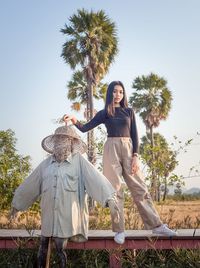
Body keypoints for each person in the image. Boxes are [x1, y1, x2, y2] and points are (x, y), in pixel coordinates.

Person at [64, 80, 177, 244]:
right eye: (115, 91)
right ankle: (119, 230)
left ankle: (157, 225)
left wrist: (136, 156)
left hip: (128, 149)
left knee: (140, 188)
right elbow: (85, 128)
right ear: (110, 93)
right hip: (111, 149)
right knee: (114, 191)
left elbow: (135, 135)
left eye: (121, 92)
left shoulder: (129, 112)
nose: (118, 95)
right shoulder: (104, 113)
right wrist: (74, 120)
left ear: (123, 94)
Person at [10, 124, 119, 268]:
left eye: (65, 139)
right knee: (43, 248)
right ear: (54, 142)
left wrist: (109, 200)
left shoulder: (79, 162)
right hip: (48, 219)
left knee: (61, 249)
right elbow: (30, 184)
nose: (61, 142)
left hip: (68, 220)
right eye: (59, 139)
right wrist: (16, 206)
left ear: (72, 142)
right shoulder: (45, 165)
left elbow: (96, 179)